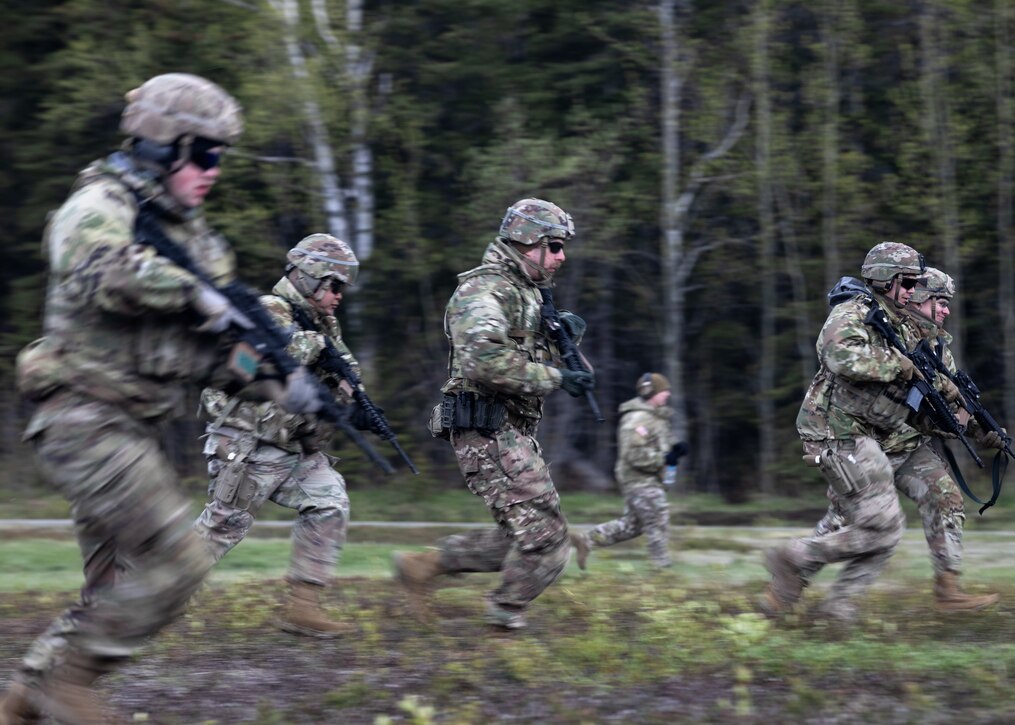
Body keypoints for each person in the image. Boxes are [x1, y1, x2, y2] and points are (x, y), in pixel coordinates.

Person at [0, 74, 319, 724]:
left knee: (116, 589)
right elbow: (101, 270)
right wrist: (199, 295)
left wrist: (279, 381)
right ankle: (69, 685)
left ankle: (27, 698)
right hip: (83, 420)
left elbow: (209, 354)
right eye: (203, 153)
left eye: (220, 157)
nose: (214, 170)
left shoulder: (199, 243)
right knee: (179, 559)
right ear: (159, 147)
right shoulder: (98, 205)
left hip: (133, 431)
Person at [392, 198, 594, 630]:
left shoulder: (528, 294)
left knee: (527, 534)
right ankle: (504, 616)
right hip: (487, 428)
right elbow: (483, 361)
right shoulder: (485, 290)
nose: (562, 256)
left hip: (509, 430)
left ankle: (423, 566)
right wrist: (555, 377)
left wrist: (564, 345)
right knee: (548, 540)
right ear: (527, 242)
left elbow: (576, 374)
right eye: (554, 245)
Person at [193, 233, 370, 638]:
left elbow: (343, 367)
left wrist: (349, 394)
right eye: (335, 285)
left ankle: (303, 607)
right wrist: (315, 346)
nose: (340, 295)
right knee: (223, 527)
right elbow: (244, 364)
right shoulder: (266, 310)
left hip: (292, 445)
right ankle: (144, 595)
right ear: (310, 277)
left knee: (329, 503)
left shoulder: (323, 322)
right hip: (247, 442)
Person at [807, 267, 999, 612]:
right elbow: (848, 366)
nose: (946, 310)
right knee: (845, 524)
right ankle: (792, 578)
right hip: (863, 444)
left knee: (946, 498)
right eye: (940, 302)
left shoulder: (939, 349)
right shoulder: (882, 327)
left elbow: (943, 411)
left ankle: (948, 589)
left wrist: (979, 431)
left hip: (907, 444)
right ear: (920, 298)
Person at [762, 241, 926, 623]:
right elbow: (838, 355)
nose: (911, 292)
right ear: (886, 279)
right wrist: (897, 365)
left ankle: (838, 609)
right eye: (907, 283)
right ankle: (797, 555)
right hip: (835, 432)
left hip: (860, 434)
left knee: (886, 532)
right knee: (884, 527)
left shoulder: (894, 323)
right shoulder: (853, 312)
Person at [577, 373, 687, 569]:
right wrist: (663, 459)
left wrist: (676, 446)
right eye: (664, 391)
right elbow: (634, 455)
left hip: (649, 478)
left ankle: (587, 541)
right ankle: (662, 568)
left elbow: (660, 439)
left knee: (632, 526)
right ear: (653, 393)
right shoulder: (637, 419)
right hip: (639, 479)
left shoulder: (655, 416)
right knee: (657, 518)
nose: (668, 394)